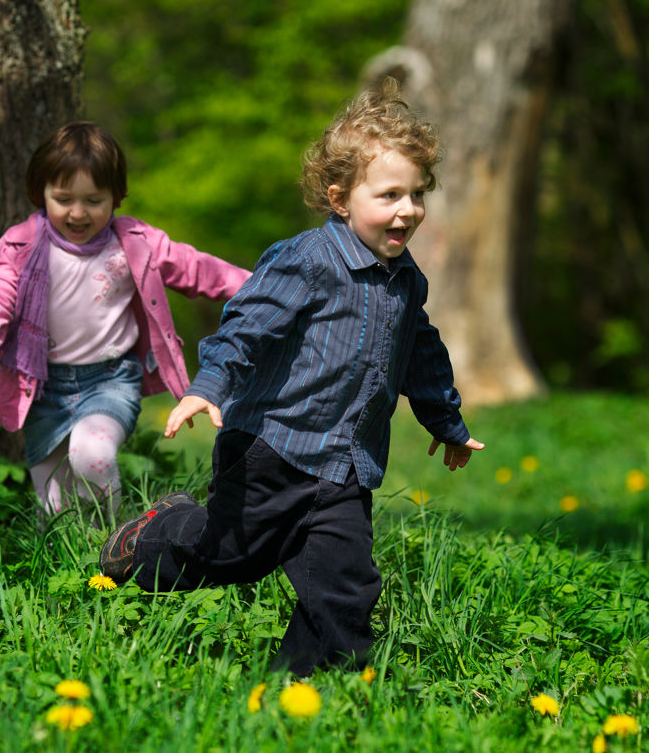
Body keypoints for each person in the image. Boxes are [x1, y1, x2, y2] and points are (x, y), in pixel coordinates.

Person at [98, 81, 484, 675]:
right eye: (388, 195)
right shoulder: (305, 260)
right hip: (271, 450)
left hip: (345, 465)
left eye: (415, 194)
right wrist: (208, 387)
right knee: (228, 558)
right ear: (340, 198)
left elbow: (420, 353)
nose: (406, 210)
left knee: (345, 587)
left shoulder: (407, 281)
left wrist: (445, 421)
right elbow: (245, 327)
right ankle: (152, 534)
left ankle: (306, 692)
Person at [0, 122, 250, 522]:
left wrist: (258, 285)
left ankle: (113, 546)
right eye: (63, 198)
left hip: (110, 380)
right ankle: (67, 567)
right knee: (52, 507)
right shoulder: (22, 245)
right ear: (41, 193)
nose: (78, 213)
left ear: (115, 197)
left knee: (92, 456)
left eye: (93, 200)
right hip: (42, 386)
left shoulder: (134, 243)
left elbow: (196, 269)